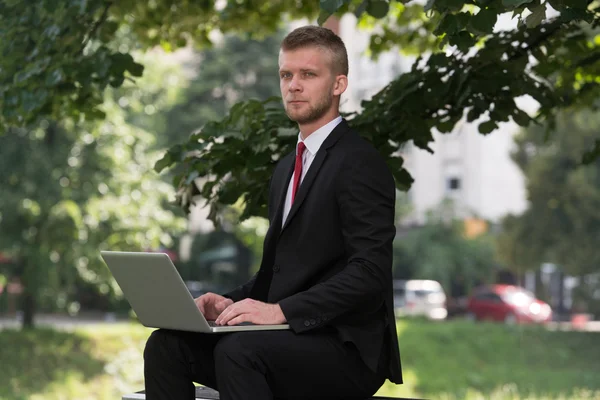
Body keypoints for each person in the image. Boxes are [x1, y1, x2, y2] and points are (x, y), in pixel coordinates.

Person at [143, 25, 403, 400]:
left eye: (308, 74)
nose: (293, 85)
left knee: (239, 353)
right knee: (167, 344)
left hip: (346, 348)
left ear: (338, 84)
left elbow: (370, 273)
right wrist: (227, 303)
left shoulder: (360, 163)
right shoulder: (286, 168)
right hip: (289, 336)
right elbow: (275, 273)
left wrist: (280, 311)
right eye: (286, 75)